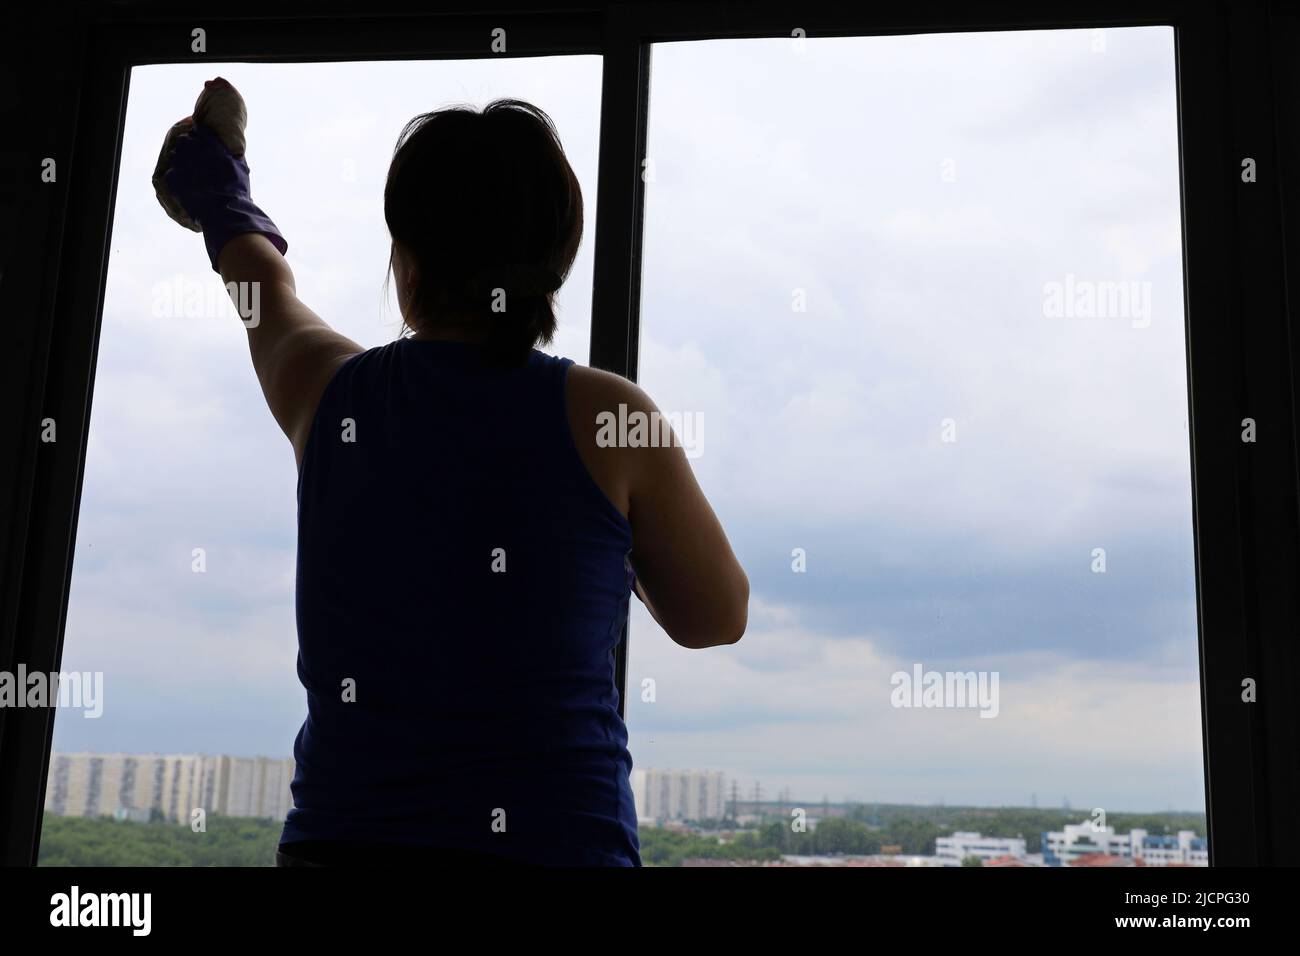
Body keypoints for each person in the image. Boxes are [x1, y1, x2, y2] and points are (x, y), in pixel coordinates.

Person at [163, 86, 749, 867]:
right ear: (557, 264)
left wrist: (218, 183)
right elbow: (715, 617)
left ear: (406, 262)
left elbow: (257, 284)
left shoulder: (326, 392)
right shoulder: (611, 417)